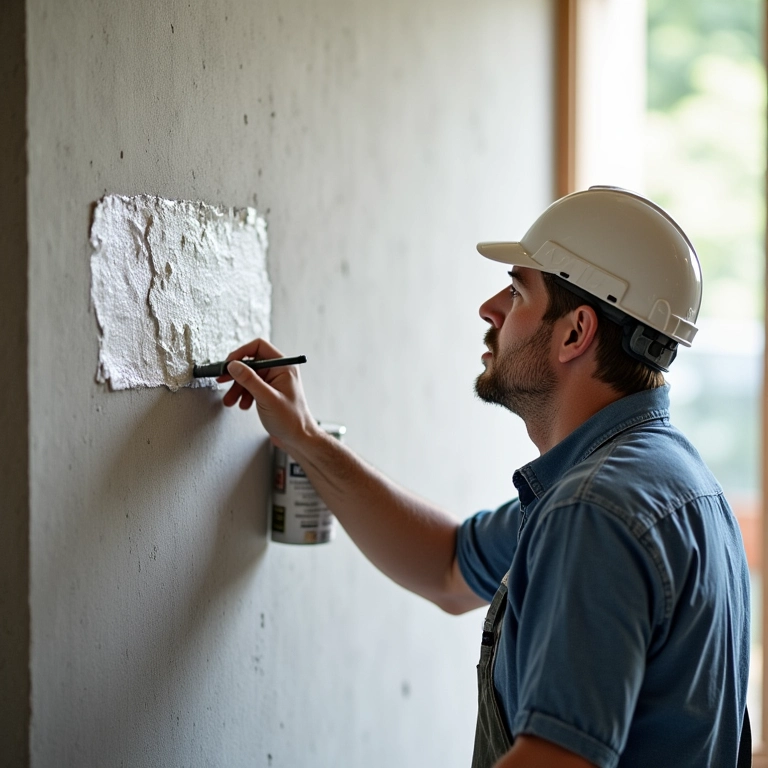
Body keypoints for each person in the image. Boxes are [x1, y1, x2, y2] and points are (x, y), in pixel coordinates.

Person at [217, 187, 750, 768]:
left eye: (518, 292)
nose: (490, 308)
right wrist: (305, 438)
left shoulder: (593, 512)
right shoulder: (671, 479)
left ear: (575, 332)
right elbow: (449, 566)